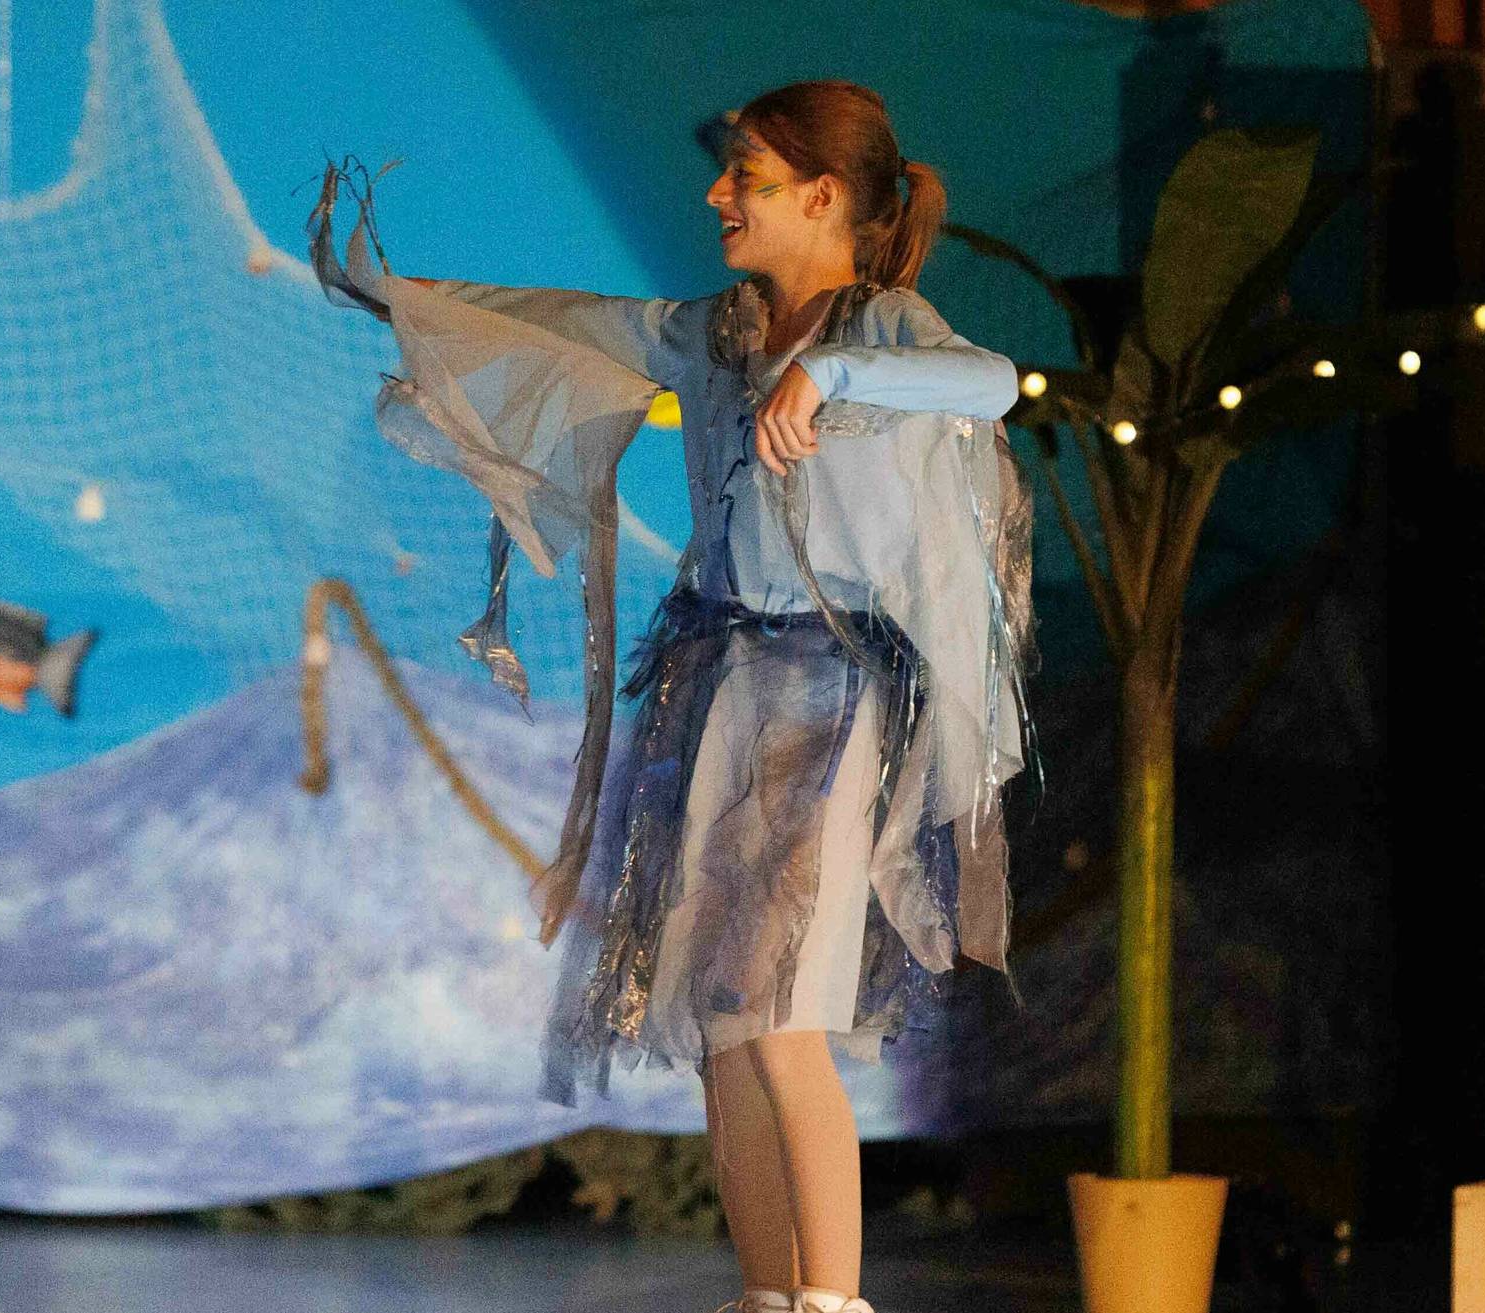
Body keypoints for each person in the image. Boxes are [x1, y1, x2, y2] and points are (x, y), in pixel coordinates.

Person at [309, 79, 1033, 1313]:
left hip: (835, 685)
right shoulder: (719, 332)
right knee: (725, 1020)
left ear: (822, 196)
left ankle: (832, 1299)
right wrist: (407, 298)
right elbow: (580, 324)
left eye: (745, 175)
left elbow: (995, 383)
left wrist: (834, 375)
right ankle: (768, 1293)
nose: (716, 193)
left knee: (784, 1009)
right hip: (721, 679)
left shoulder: (887, 327)